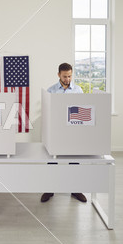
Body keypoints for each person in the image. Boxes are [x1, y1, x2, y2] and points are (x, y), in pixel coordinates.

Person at [41, 62, 87, 203]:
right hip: (56, 131)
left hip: (72, 131)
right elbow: (47, 112)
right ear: (58, 75)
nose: (67, 79)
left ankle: (75, 189)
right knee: (52, 161)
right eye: (65, 76)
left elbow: (82, 110)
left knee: (74, 161)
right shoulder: (51, 90)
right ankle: (50, 189)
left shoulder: (78, 90)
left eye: (69, 76)